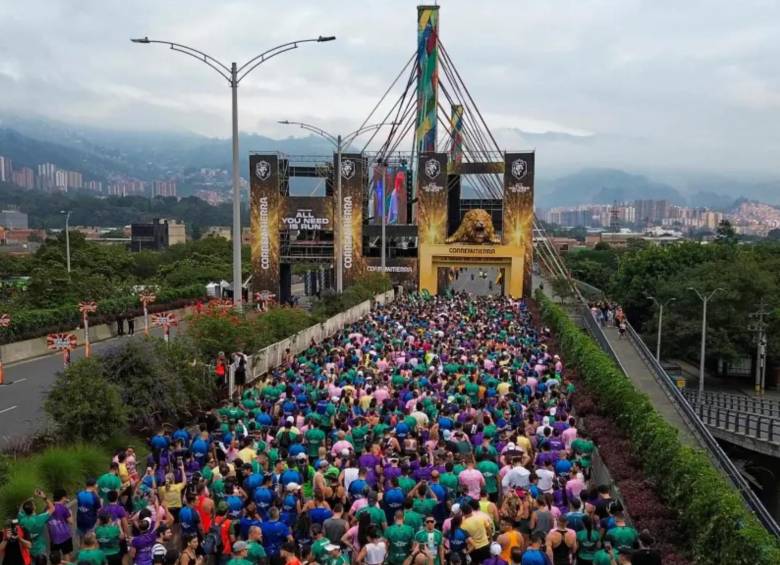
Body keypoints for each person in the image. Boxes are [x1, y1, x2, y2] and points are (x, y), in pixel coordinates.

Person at [17, 489, 52, 560]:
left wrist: (31, 498)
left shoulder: (21, 518)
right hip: (40, 550)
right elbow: (52, 508)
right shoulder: (40, 519)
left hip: (28, 550)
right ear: (34, 508)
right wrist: (44, 497)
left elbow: (21, 507)